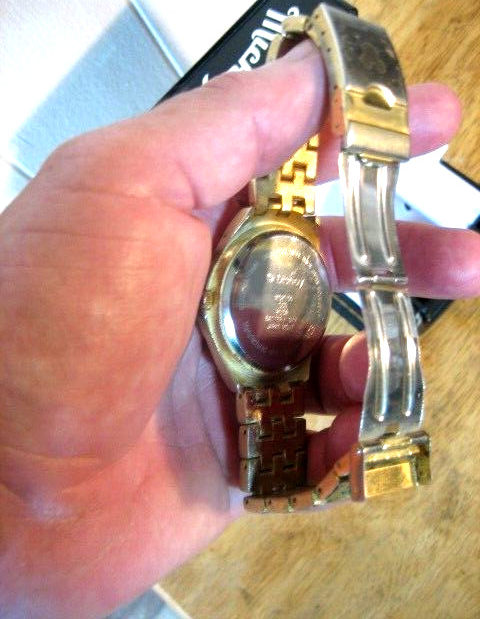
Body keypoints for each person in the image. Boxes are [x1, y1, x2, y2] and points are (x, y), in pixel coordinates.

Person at [0, 40, 479, 619]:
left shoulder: (281, 229)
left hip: (276, 339)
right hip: (261, 352)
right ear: (211, 297)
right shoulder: (253, 243)